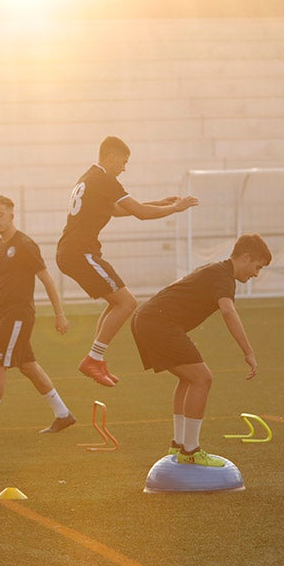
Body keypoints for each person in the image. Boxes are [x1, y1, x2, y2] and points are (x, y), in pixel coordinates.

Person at [57, 136, 199, 387]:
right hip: (81, 253)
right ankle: (93, 359)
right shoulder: (105, 180)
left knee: (117, 302)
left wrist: (161, 202)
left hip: (72, 252)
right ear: (110, 157)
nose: (124, 169)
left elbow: (121, 210)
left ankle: (96, 358)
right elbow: (141, 214)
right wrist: (176, 209)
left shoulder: (90, 177)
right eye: (123, 162)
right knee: (127, 302)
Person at [131, 234, 270, 466]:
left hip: (147, 318)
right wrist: (248, 351)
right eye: (257, 267)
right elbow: (228, 312)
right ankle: (190, 450)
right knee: (202, 379)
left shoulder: (215, 269)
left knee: (189, 379)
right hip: (158, 322)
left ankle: (177, 445)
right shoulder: (224, 277)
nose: (256, 274)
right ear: (245, 258)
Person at [0, 195, 74, 439]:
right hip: (4, 316)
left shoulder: (25, 245)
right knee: (28, 366)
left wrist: (59, 314)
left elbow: (47, 279)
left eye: (0, 215)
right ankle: (63, 415)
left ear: (12, 215)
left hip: (19, 315)